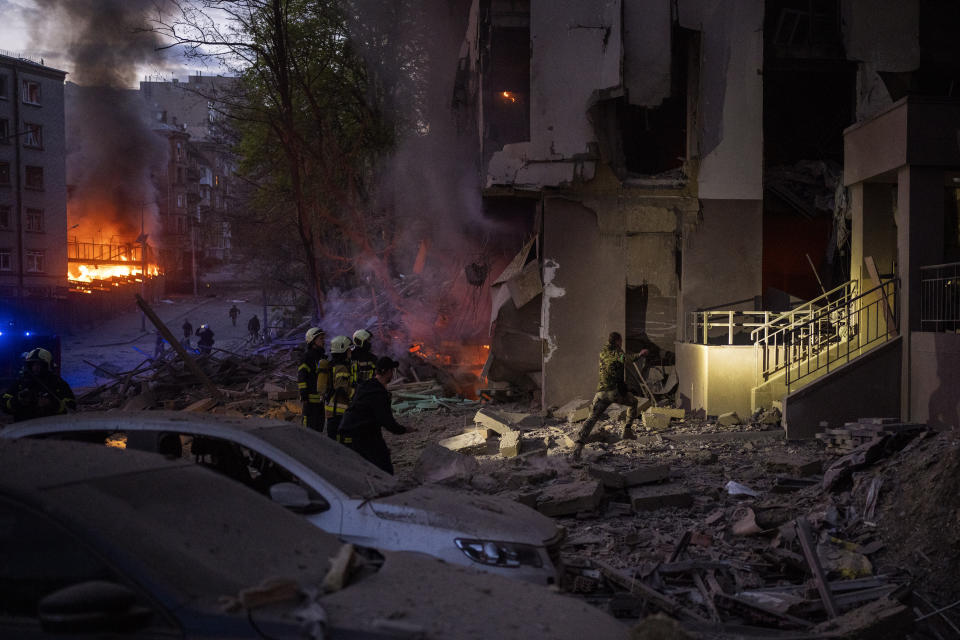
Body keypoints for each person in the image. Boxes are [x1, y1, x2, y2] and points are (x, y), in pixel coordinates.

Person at [572, 332, 649, 460]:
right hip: (613, 392)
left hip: (601, 392)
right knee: (633, 402)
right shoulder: (614, 352)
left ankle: (577, 449)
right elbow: (625, 359)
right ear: (618, 341)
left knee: (591, 418)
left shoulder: (603, 351)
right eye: (621, 342)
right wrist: (640, 354)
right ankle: (627, 431)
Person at [338, 356, 410, 474]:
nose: (392, 374)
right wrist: (404, 429)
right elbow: (388, 423)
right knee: (384, 467)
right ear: (387, 372)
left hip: (353, 430)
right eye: (392, 370)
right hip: (364, 433)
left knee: (365, 466)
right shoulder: (378, 394)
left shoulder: (366, 386)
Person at [2, 348, 76, 422]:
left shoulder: (57, 383)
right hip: (24, 429)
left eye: (39, 364)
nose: (35, 368)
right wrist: (18, 400)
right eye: (33, 364)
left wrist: (51, 403)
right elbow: (4, 404)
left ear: (47, 365)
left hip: (52, 427)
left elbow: (71, 406)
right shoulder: (21, 383)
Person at [323, 335, 354, 441]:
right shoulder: (341, 368)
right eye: (349, 349)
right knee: (343, 441)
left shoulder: (333, 365)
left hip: (331, 410)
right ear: (343, 350)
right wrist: (356, 393)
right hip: (338, 411)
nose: (350, 351)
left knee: (334, 441)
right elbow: (341, 388)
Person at [298, 327, 327, 433]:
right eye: (321, 339)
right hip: (310, 401)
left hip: (321, 401)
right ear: (312, 341)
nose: (324, 341)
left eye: (323, 338)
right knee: (309, 430)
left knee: (319, 428)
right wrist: (304, 394)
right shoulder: (307, 357)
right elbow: (302, 377)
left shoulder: (322, 357)